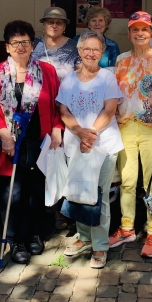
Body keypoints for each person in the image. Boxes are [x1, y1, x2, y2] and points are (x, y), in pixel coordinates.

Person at [0, 20, 64, 264]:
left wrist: (57, 129)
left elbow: (56, 104)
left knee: (36, 191)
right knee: (13, 192)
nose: (21, 47)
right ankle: (15, 239)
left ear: (33, 45)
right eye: (15, 42)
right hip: (10, 143)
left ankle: (34, 234)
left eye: (26, 42)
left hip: (39, 141)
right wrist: (4, 136)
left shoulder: (47, 71)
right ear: (7, 47)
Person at [57, 30, 124, 268]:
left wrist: (90, 134)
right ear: (79, 50)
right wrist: (79, 133)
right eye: (87, 48)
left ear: (102, 52)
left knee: (99, 196)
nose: (91, 53)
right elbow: (64, 111)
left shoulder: (107, 77)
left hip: (103, 146)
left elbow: (109, 110)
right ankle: (84, 237)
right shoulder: (69, 79)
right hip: (76, 145)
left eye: (96, 49)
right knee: (77, 192)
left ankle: (100, 245)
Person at [110, 11, 152, 257]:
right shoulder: (121, 60)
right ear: (129, 33)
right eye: (135, 30)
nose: (139, 34)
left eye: (144, 30)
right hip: (125, 125)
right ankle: (127, 227)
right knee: (127, 180)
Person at [32, 7, 80, 80]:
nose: (54, 26)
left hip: (65, 90)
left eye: (59, 23)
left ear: (64, 27)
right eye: (50, 22)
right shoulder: (33, 43)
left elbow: (80, 74)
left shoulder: (74, 46)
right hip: (36, 90)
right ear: (44, 25)